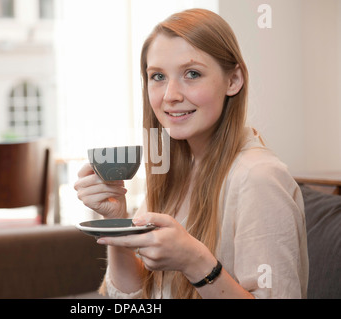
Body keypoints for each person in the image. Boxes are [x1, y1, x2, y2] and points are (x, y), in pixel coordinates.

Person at [74, 8, 308, 299]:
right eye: (157, 76)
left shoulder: (259, 179)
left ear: (233, 81)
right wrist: (116, 222)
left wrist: (196, 263)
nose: (170, 94)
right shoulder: (172, 170)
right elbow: (130, 297)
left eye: (192, 74)